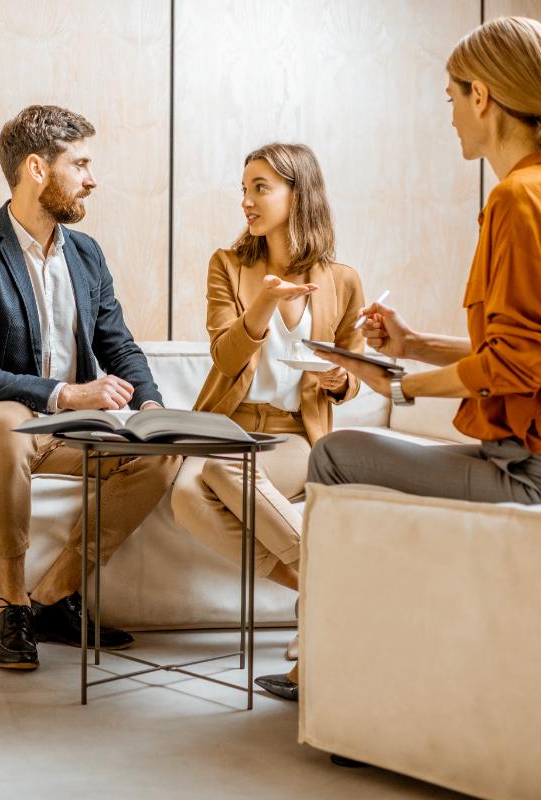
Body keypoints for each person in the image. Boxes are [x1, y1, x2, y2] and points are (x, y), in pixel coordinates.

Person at [311, 17, 541, 517]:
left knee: (334, 454)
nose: (451, 116)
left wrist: (400, 385)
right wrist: (412, 346)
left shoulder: (518, 200)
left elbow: (515, 366)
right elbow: (532, 355)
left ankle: (333, 600)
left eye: (450, 99)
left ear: (479, 96)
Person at [0, 105, 181, 671]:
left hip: (70, 433)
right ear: (37, 168)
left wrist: (151, 408)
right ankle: (12, 610)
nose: (92, 178)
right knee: (12, 422)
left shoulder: (85, 254)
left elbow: (120, 347)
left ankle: (52, 598)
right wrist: (66, 394)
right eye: (80, 164)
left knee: (161, 455)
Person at [170, 143, 366, 701]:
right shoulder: (227, 266)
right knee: (186, 495)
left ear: (297, 194)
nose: (247, 201)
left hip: (292, 435)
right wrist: (261, 304)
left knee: (221, 474)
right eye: (245, 188)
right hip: (229, 425)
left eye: (261, 187)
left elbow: (353, 370)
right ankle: (326, 581)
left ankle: (328, 587)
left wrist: (340, 381)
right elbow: (226, 358)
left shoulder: (342, 280)